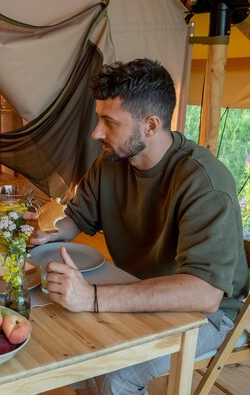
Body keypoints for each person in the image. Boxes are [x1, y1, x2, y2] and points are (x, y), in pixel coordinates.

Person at [28, 59, 249, 394]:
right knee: (75, 354)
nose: (96, 133)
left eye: (109, 122)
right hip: (137, 290)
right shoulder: (111, 163)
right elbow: (77, 219)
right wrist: (50, 229)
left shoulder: (204, 182)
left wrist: (92, 297)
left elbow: (205, 294)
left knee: (116, 376)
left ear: (150, 125)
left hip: (211, 315)